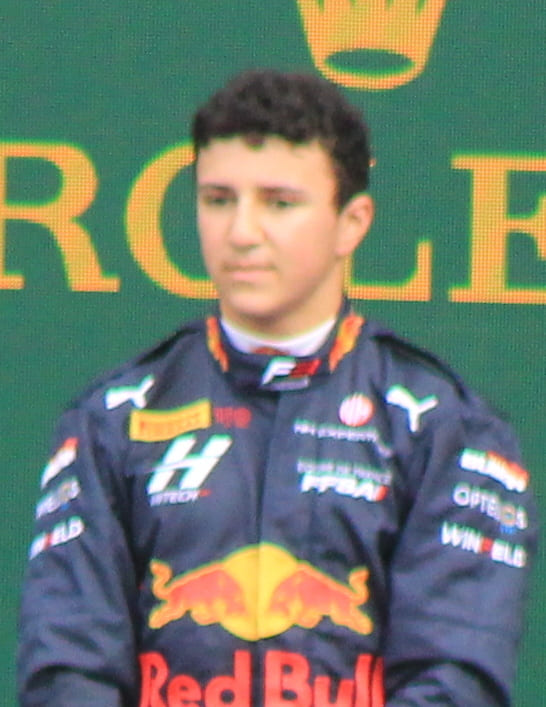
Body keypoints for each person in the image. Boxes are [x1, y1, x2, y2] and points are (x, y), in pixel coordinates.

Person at [18, 69, 537, 706]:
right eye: (218, 199)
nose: (241, 232)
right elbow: (69, 669)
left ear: (352, 223)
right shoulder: (112, 420)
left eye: (279, 203)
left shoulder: (443, 426)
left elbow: (455, 680)